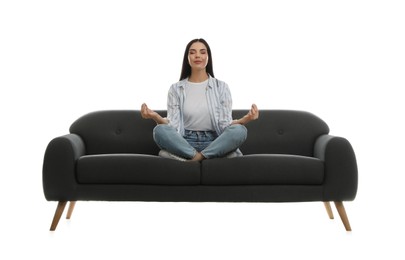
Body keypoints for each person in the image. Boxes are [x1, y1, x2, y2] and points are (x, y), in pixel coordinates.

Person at [141, 38, 259, 161]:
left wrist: (247, 119)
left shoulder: (221, 87)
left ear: (208, 56)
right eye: (192, 52)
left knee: (240, 131)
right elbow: (174, 126)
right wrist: (155, 116)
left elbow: (225, 125)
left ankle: (194, 158)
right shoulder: (176, 89)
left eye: (202, 52)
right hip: (185, 142)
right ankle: (204, 157)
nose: (198, 56)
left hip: (214, 142)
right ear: (187, 58)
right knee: (159, 130)